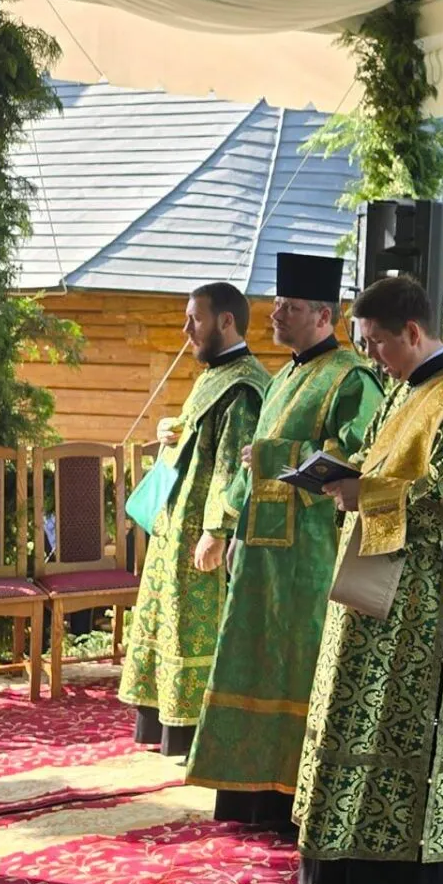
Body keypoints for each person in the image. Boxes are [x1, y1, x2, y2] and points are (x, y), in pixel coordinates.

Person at [294, 275, 443, 884]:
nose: (372, 356)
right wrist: (341, 472)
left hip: (424, 616)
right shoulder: (406, 389)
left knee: (398, 733)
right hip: (377, 586)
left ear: (413, 332)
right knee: (356, 718)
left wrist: (368, 495)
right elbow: (379, 458)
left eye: (377, 343)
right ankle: (349, 869)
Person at [186, 253, 385, 834]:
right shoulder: (284, 377)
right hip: (259, 554)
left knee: (299, 667)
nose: (274, 314)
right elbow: (249, 463)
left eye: (290, 307)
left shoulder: (352, 378)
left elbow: (360, 453)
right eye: (276, 304)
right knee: (251, 661)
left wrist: (281, 456)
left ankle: (298, 797)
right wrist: (224, 525)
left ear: (323, 315)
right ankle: (251, 792)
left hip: (310, 557)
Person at [118, 282, 271, 755]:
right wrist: (173, 430)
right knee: (168, 620)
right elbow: (201, 441)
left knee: (193, 628)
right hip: (176, 524)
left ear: (226, 321)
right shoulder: (214, 375)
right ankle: (161, 722)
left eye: (195, 319)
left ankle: (192, 733)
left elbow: (231, 465)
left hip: (200, 532)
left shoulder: (244, 386)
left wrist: (215, 532)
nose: (186, 329)